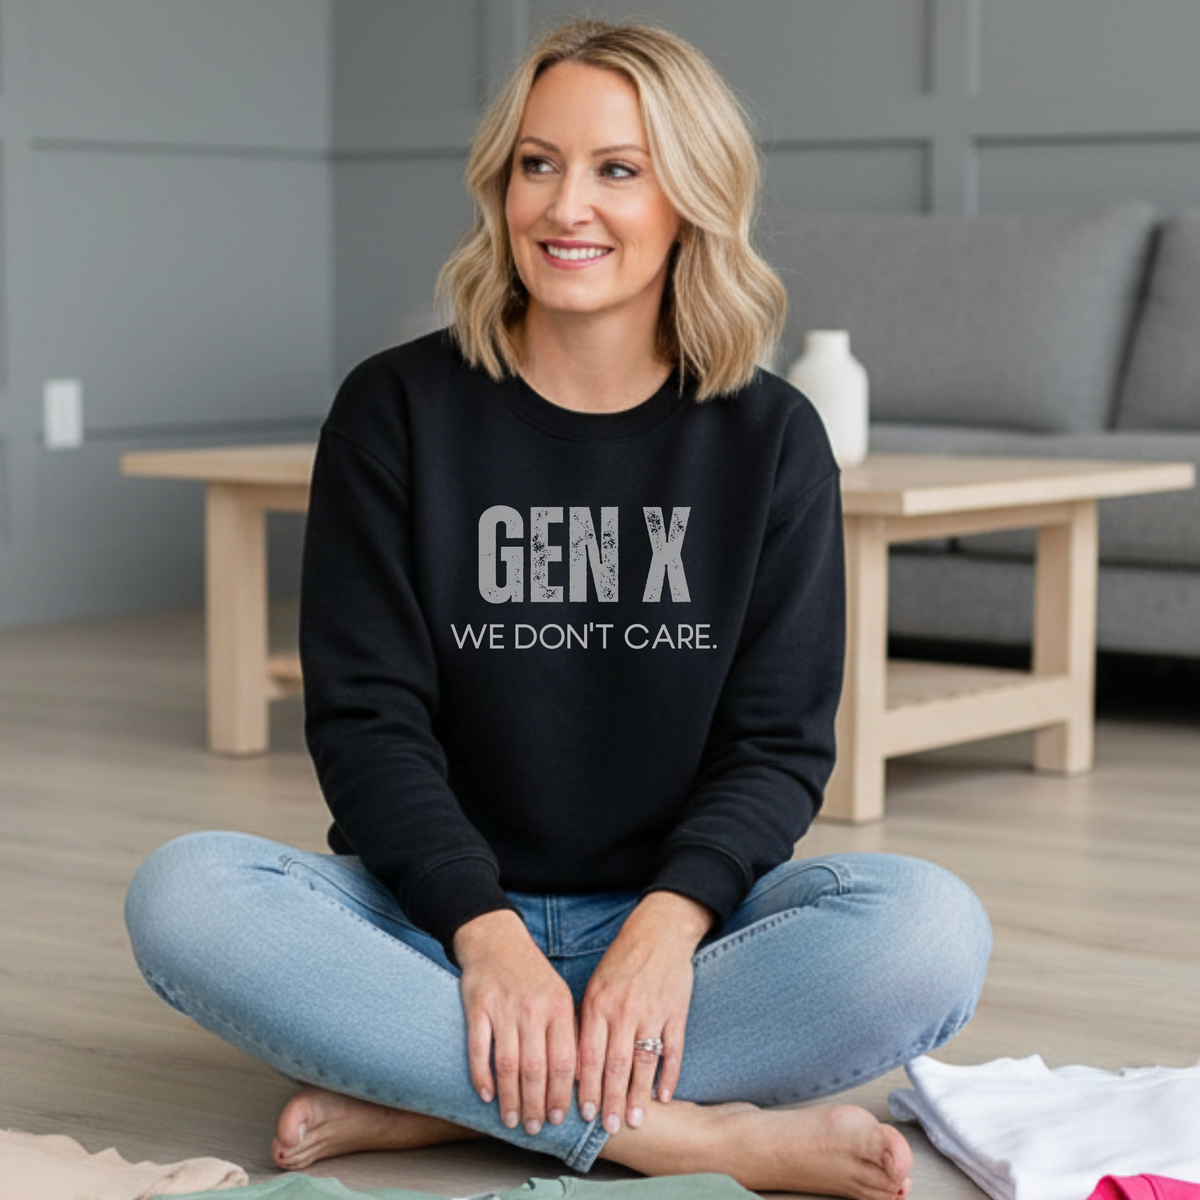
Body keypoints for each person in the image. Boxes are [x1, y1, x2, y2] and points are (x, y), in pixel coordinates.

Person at [124, 18, 992, 1199]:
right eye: (538, 163)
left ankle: (439, 1099)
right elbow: (368, 725)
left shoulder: (771, 438)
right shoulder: (395, 410)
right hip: (430, 919)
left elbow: (777, 743)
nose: (564, 206)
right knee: (185, 895)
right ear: (500, 184)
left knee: (929, 933)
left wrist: (664, 929)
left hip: (683, 933)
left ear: (689, 198)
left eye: (616, 169)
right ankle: (673, 1134)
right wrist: (486, 940)